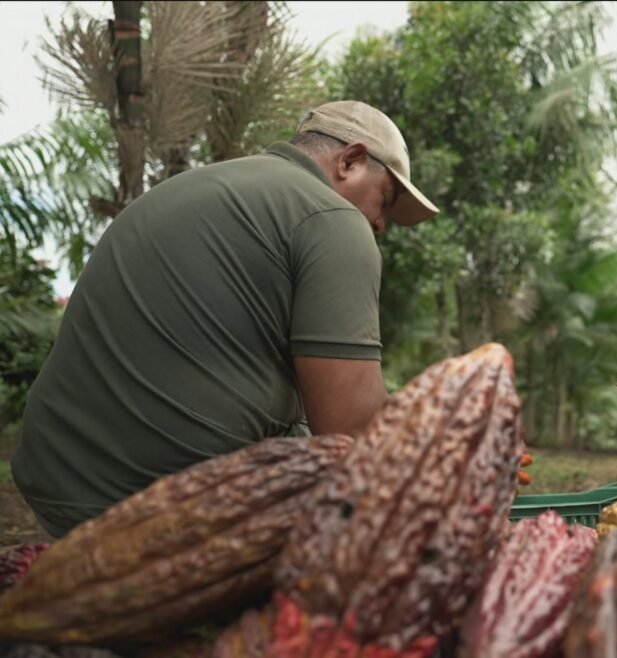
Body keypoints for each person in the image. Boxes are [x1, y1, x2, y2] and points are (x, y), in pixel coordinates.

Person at [13, 100, 439, 538]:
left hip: (59, 483)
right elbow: (353, 431)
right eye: (385, 201)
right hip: (155, 507)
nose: (381, 224)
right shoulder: (333, 217)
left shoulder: (199, 186)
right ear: (350, 161)